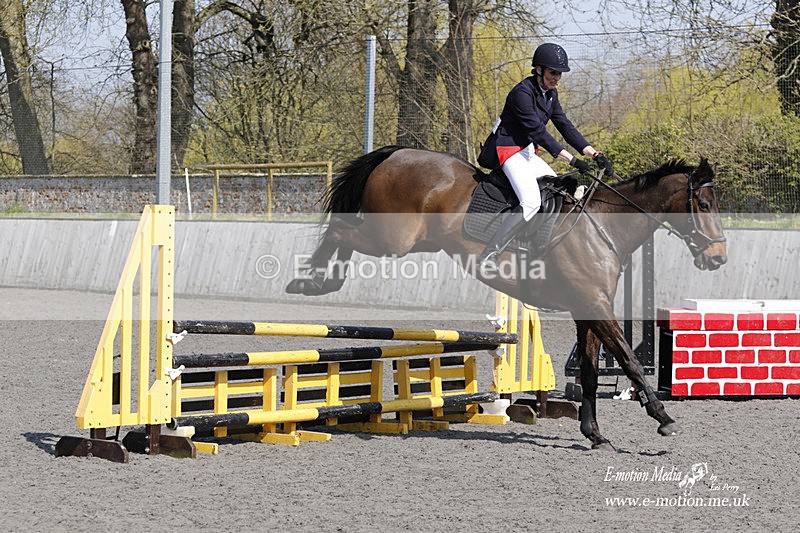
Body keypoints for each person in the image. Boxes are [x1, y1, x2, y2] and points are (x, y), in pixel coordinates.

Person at [477, 42, 613, 269]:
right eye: (553, 72)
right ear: (539, 69)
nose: (556, 78)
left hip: (526, 151)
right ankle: (490, 254)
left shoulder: (550, 94)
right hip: (507, 149)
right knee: (531, 201)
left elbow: (565, 126)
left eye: (559, 74)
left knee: (557, 188)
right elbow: (538, 132)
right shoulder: (522, 93)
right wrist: (572, 160)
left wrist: (593, 153)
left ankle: (534, 243)